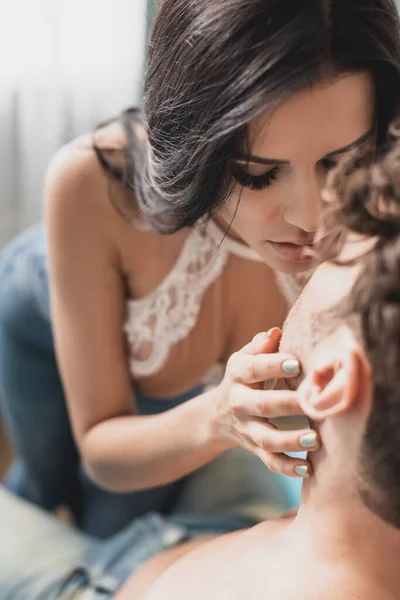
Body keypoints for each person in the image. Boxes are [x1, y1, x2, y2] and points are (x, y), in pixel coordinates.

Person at [0, 0, 399, 539]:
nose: (310, 218)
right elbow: (101, 449)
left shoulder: (380, 201)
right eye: (257, 175)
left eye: (340, 162)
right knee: (50, 490)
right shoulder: (92, 184)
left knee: (118, 521)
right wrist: (217, 417)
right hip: (43, 316)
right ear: (198, 146)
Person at [2, 129, 400, 599]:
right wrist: (217, 417)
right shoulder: (359, 521)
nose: (313, 228)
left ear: (332, 377)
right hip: (230, 526)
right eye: (259, 173)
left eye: (339, 260)